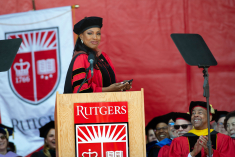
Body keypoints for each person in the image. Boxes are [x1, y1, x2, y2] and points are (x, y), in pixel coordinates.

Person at [64, 16, 132, 93]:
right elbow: (81, 91)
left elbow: (109, 83)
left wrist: (121, 85)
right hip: (90, 105)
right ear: (81, 36)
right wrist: (108, 90)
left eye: (98, 33)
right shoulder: (81, 58)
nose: (95, 37)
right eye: (90, 33)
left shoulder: (103, 56)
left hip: (109, 104)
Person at [169, 101, 235, 157]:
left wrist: (211, 154)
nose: (195, 115)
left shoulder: (224, 139)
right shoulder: (178, 141)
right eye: (193, 113)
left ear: (210, 117)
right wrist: (192, 154)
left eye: (200, 113)